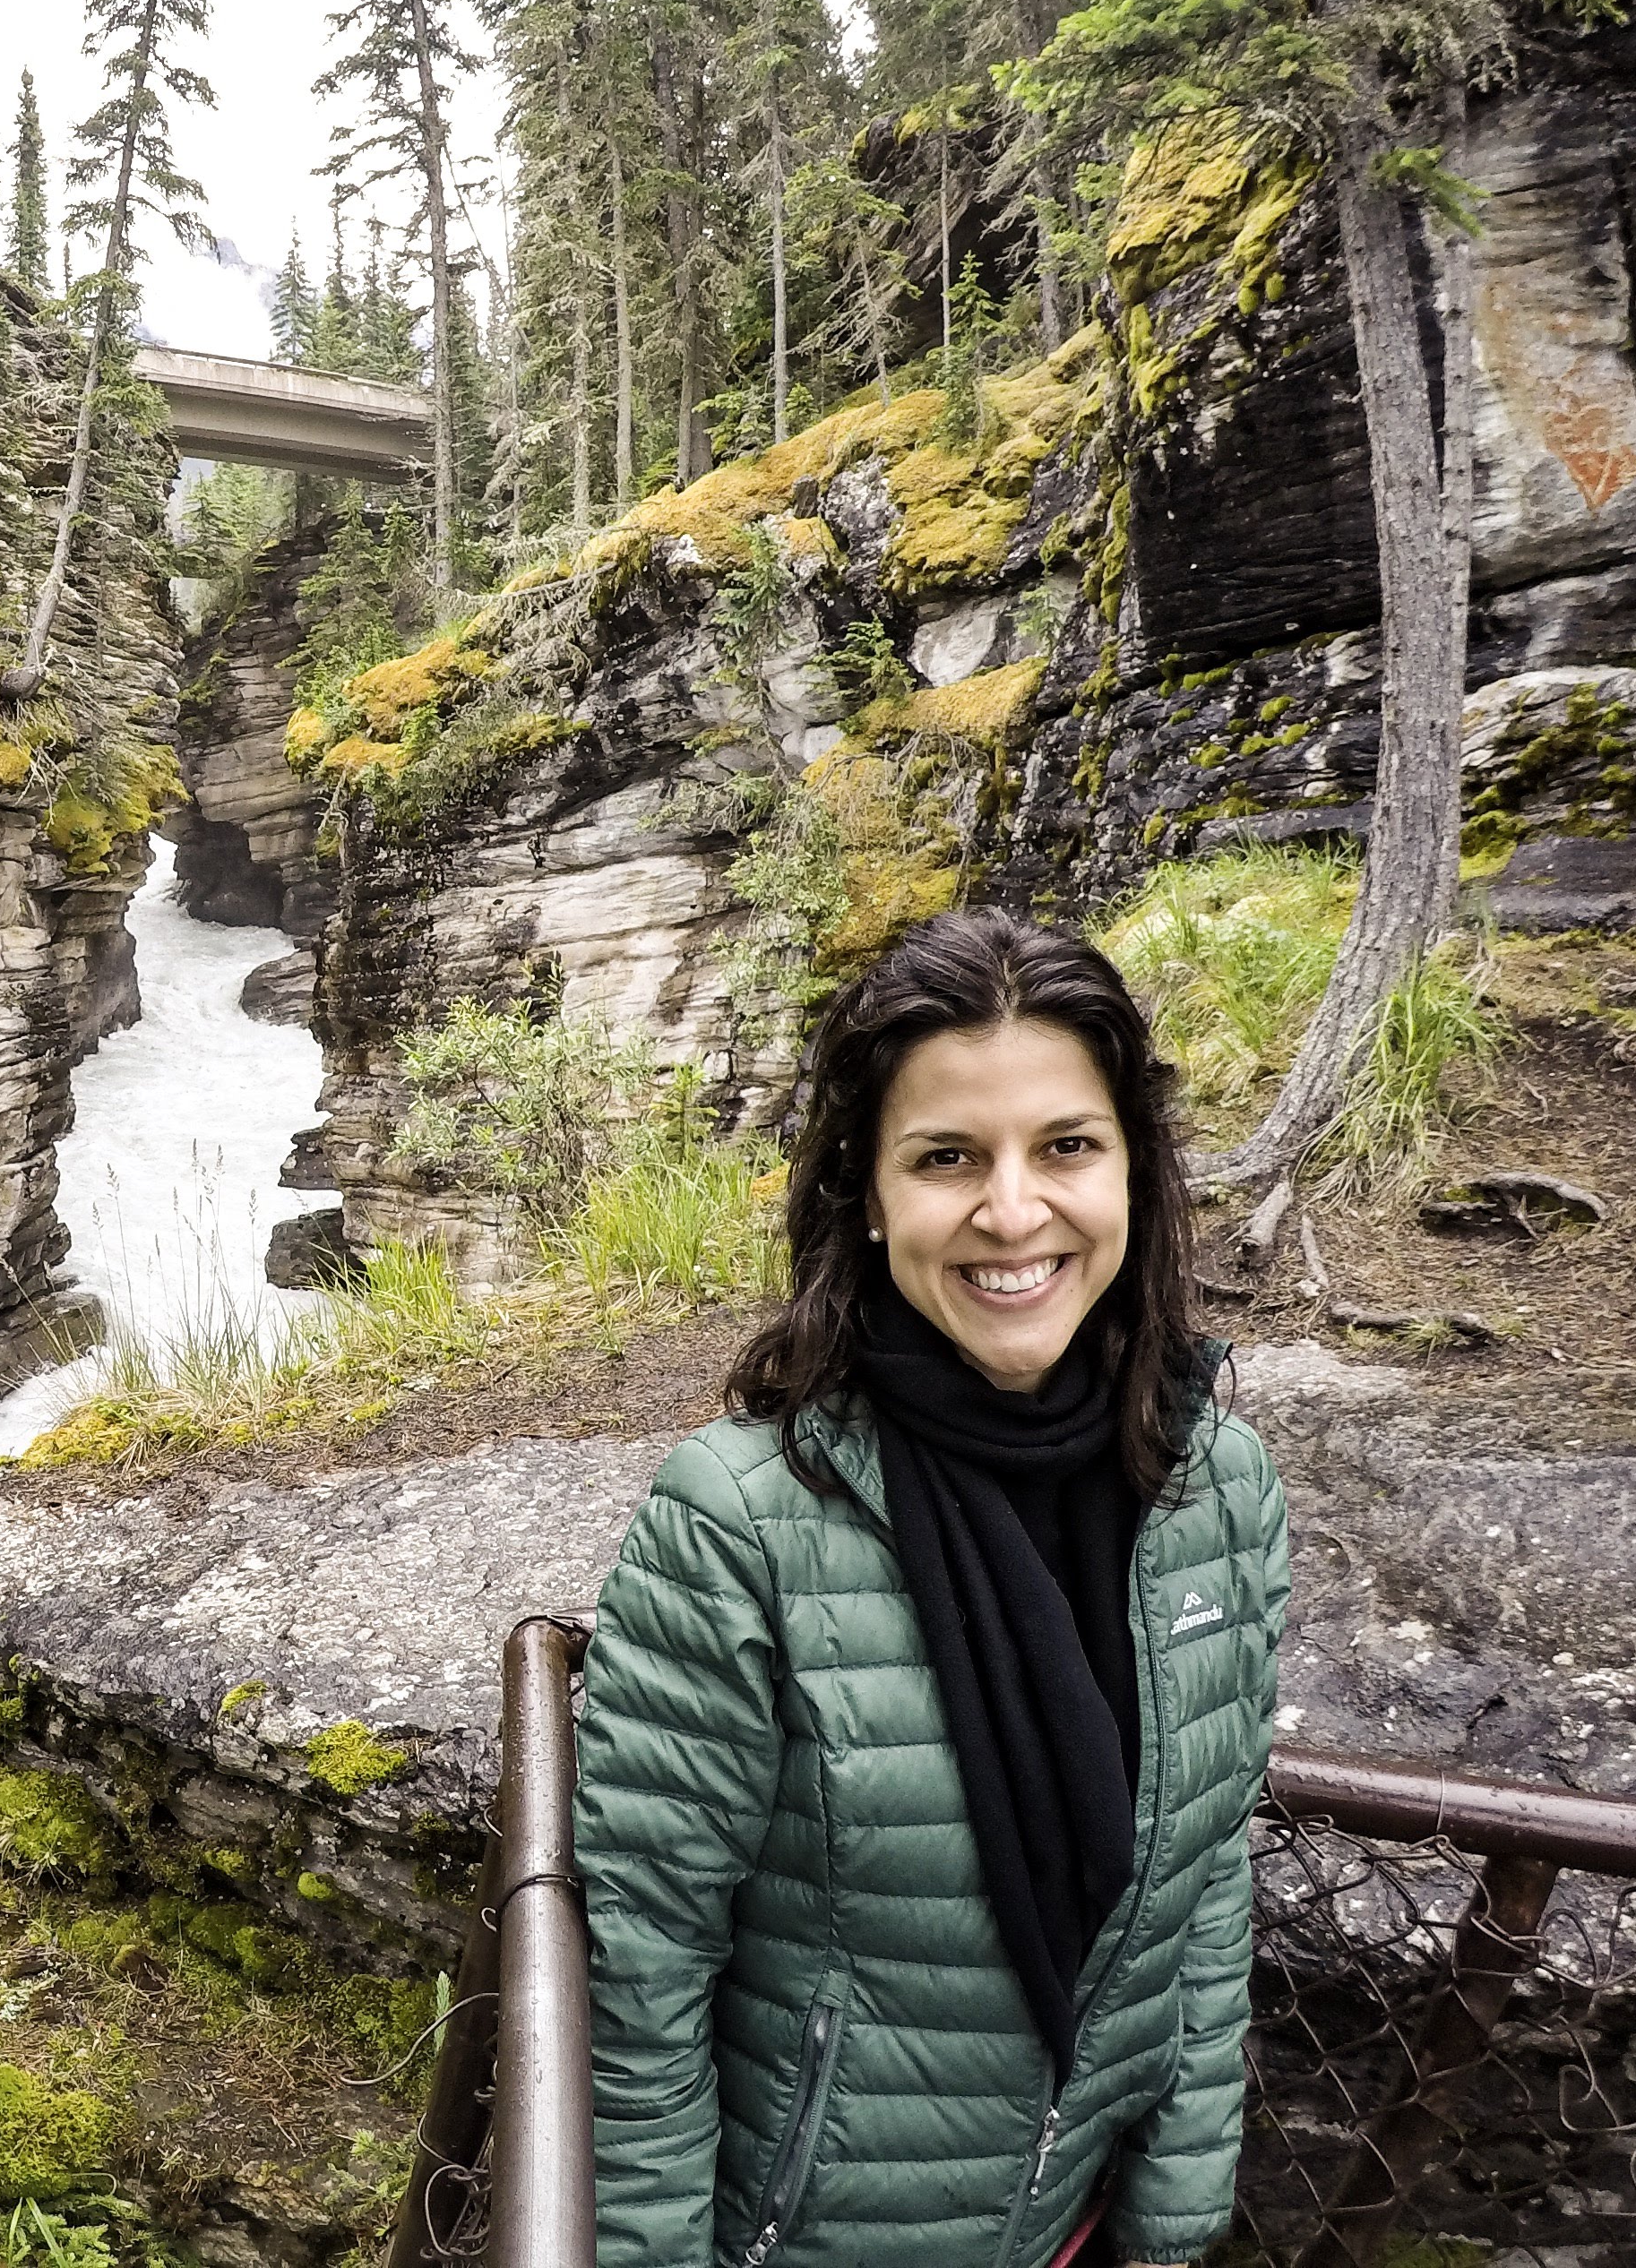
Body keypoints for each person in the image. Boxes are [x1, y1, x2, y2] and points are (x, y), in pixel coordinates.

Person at [574, 908, 1288, 2268]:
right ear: (868, 1193)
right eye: (947, 1156)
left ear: (1135, 1170)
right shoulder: (742, 1521)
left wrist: (1173, 2218)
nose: (1012, 1212)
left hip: (1073, 2232)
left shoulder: (1218, 1487)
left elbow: (1207, 1884)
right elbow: (639, 1970)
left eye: (1066, 1146)